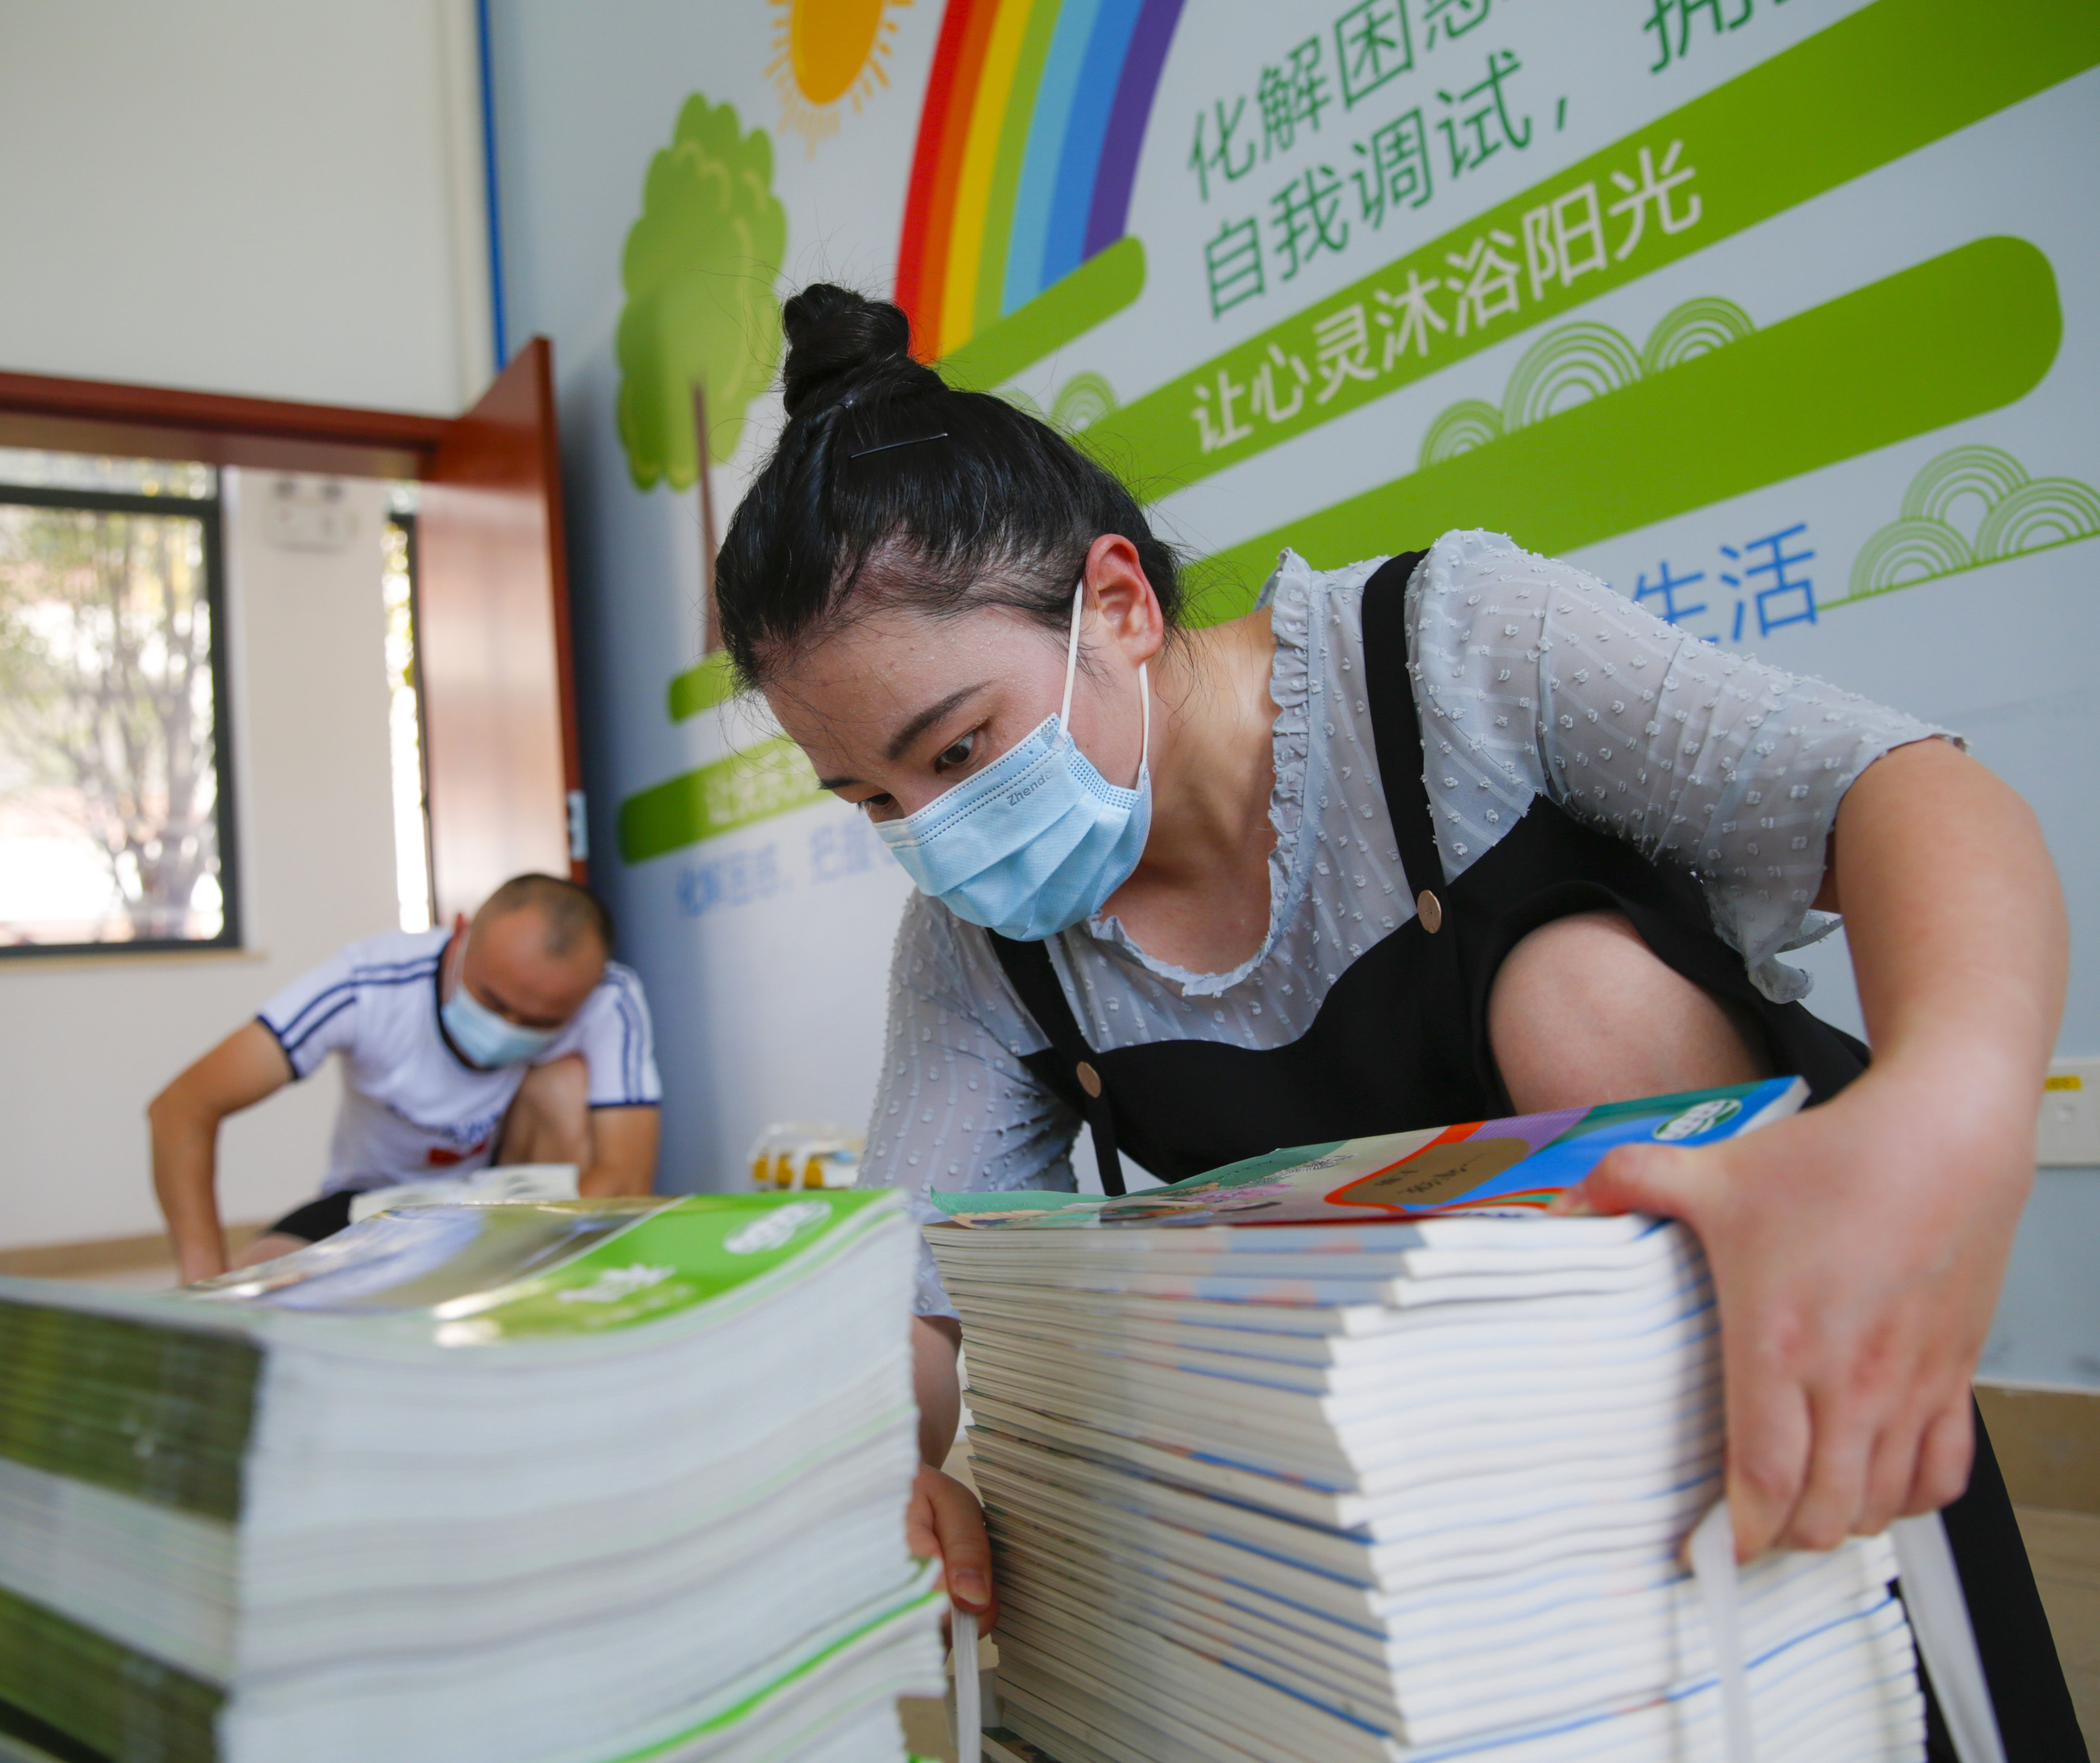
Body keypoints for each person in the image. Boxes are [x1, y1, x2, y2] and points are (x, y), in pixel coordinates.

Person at [710, 284, 2082, 1753]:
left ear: (1116, 604)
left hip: (1740, 1433)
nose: (934, 830)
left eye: (960, 748)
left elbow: (1889, 787)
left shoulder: (1442, 659)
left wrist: (1950, 1107)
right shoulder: (970, 950)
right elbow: (910, 1294)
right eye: (871, 802)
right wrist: (881, 1474)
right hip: (1421, 1513)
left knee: (1578, 998)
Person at [149, 873, 661, 1282]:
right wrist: (203, 1283)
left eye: (542, 1023)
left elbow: (626, 1176)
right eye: (494, 1002)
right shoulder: (368, 984)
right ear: (460, 933)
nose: (509, 1030)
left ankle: (538, 1276)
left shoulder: (609, 999)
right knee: (260, 1281)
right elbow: (183, 1107)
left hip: (508, 1196)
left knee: (565, 1084)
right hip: (374, 1198)